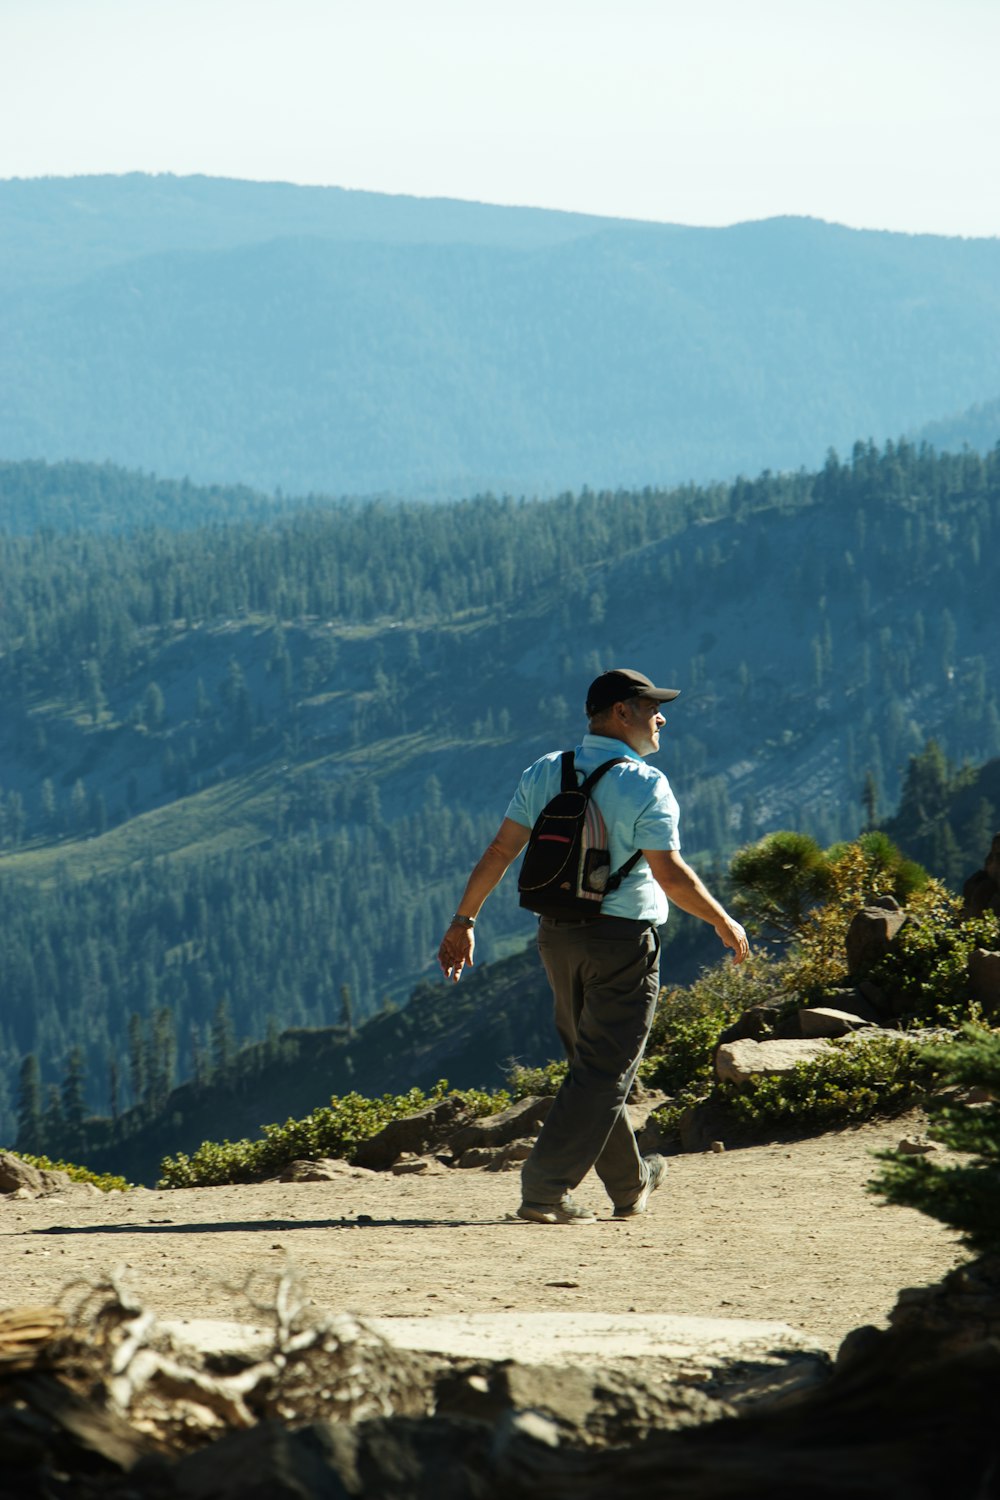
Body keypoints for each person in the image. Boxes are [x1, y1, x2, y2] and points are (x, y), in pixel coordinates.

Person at [437, 667, 749, 1225]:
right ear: (619, 713)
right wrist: (722, 920)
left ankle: (631, 1184)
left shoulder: (545, 771)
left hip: (556, 939)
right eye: (650, 705)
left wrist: (464, 920)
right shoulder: (645, 783)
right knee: (602, 1072)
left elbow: (499, 852)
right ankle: (544, 1190)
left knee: (590, 1067)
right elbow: (670, 875)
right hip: (622, 942)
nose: (662, 715)